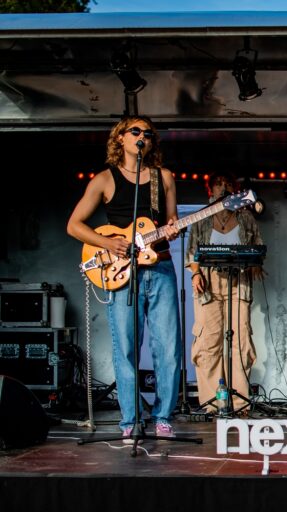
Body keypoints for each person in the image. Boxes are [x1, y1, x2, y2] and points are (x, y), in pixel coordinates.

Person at [67, 116, 181, 442]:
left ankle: (162, 417)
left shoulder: (163, 177)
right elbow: (74, 225)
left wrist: (173, 229)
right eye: (135, 131)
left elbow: (171, 222)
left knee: (168, 349)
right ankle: (130, 419)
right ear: (120, 137)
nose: (142, 136)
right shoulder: (105, 179)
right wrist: (107, 243)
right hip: (122, 273)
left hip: (160, 268)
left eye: (148, 133)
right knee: (126, 348)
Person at [186, 172, 264, 414]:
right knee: (209, 342)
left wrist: (255, 264)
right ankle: (213, 403)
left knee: (241, 341)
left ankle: (240, 403)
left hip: (238, 281)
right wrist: (195, 274)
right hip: (209, 283)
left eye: (228, 184)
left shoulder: (246, 217)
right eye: (219, 185)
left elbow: (258, 248)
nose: (223, 188)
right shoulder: (201, 217)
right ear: (211, 190)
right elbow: (192, 252)